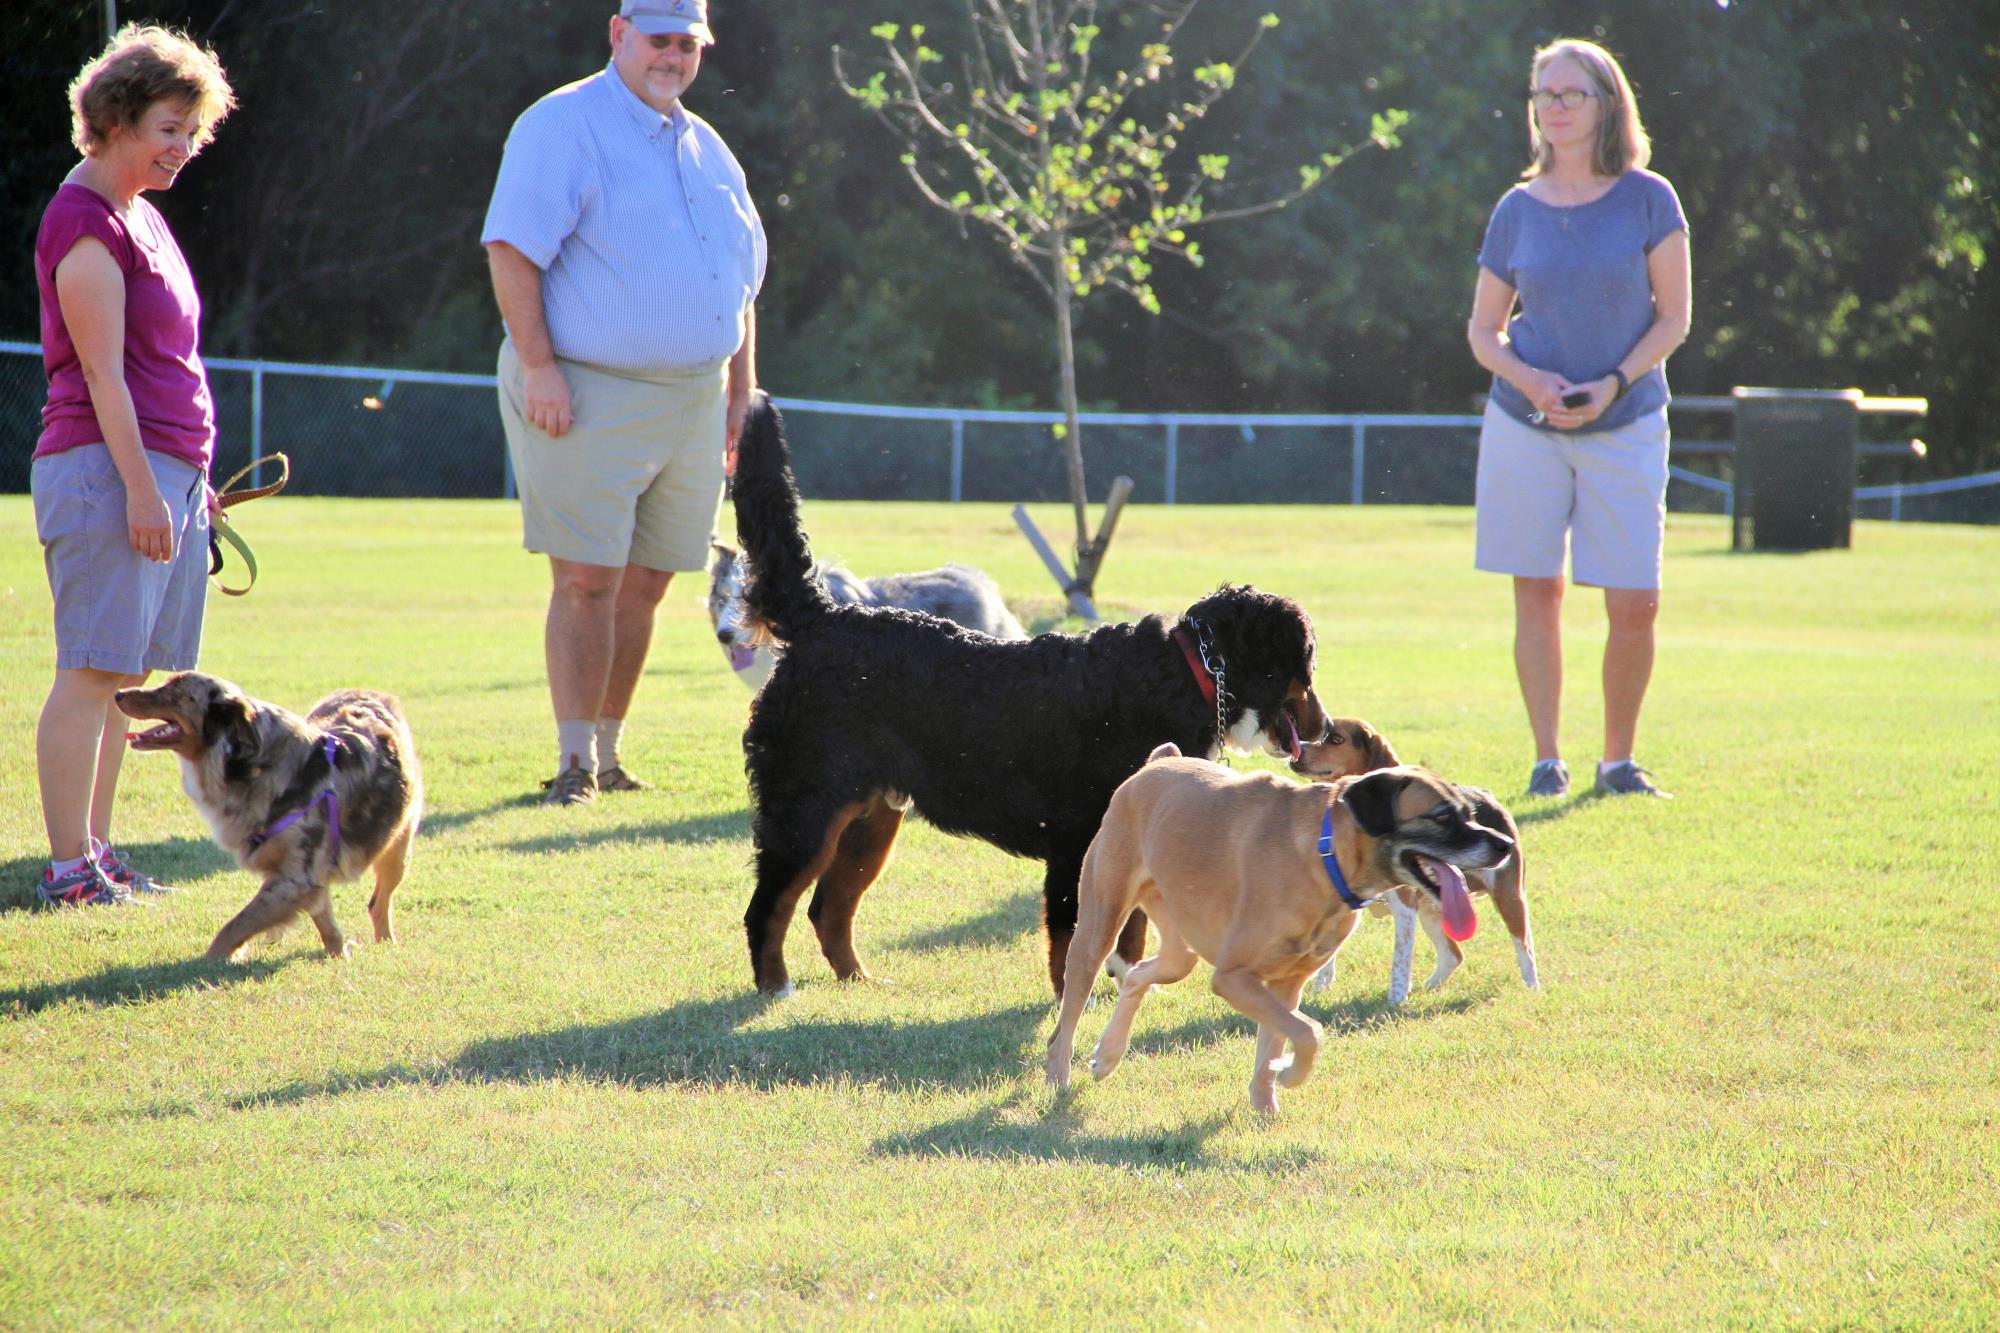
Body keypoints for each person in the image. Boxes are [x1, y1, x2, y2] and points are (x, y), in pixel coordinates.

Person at [483, 0, 765, 806]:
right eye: (658, 40)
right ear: (619, 35)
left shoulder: (709, 147)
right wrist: (539, 367)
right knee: (587, 580)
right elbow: (511, 248)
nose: (672, 57)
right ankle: (571, 763)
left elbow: (739, 288)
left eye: (688, 43)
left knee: (648, 582)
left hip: (693, 399)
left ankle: (609, 753)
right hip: (586, 384)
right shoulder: (563, 124)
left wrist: (741, 397)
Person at [30, 25, 235, 907]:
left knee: (127, 681)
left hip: (164, 474)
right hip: (106, 471)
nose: (183, 149)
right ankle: (69, 865)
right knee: (91, 671)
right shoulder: (83, 220)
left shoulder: (141, 217)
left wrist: (192, 482)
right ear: (114, 119)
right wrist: (148, 488)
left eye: (193, 132)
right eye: (167, 129)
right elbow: (103, 373)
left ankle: (101, 853)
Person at [1465, 37, 1690, 800]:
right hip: (1523, 424)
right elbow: (1482, 331)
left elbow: (1674, 319)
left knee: (1634, 597)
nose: (1554, 107)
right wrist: (1530, 381)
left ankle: (1617, 762)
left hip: (1626, 421)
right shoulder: (1515, 208)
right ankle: (1547, 758)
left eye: (1570, 93)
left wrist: (1612, 384)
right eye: (1543, 95)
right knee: (1538, 590)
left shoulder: (1650, 197)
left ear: (1606, 103)